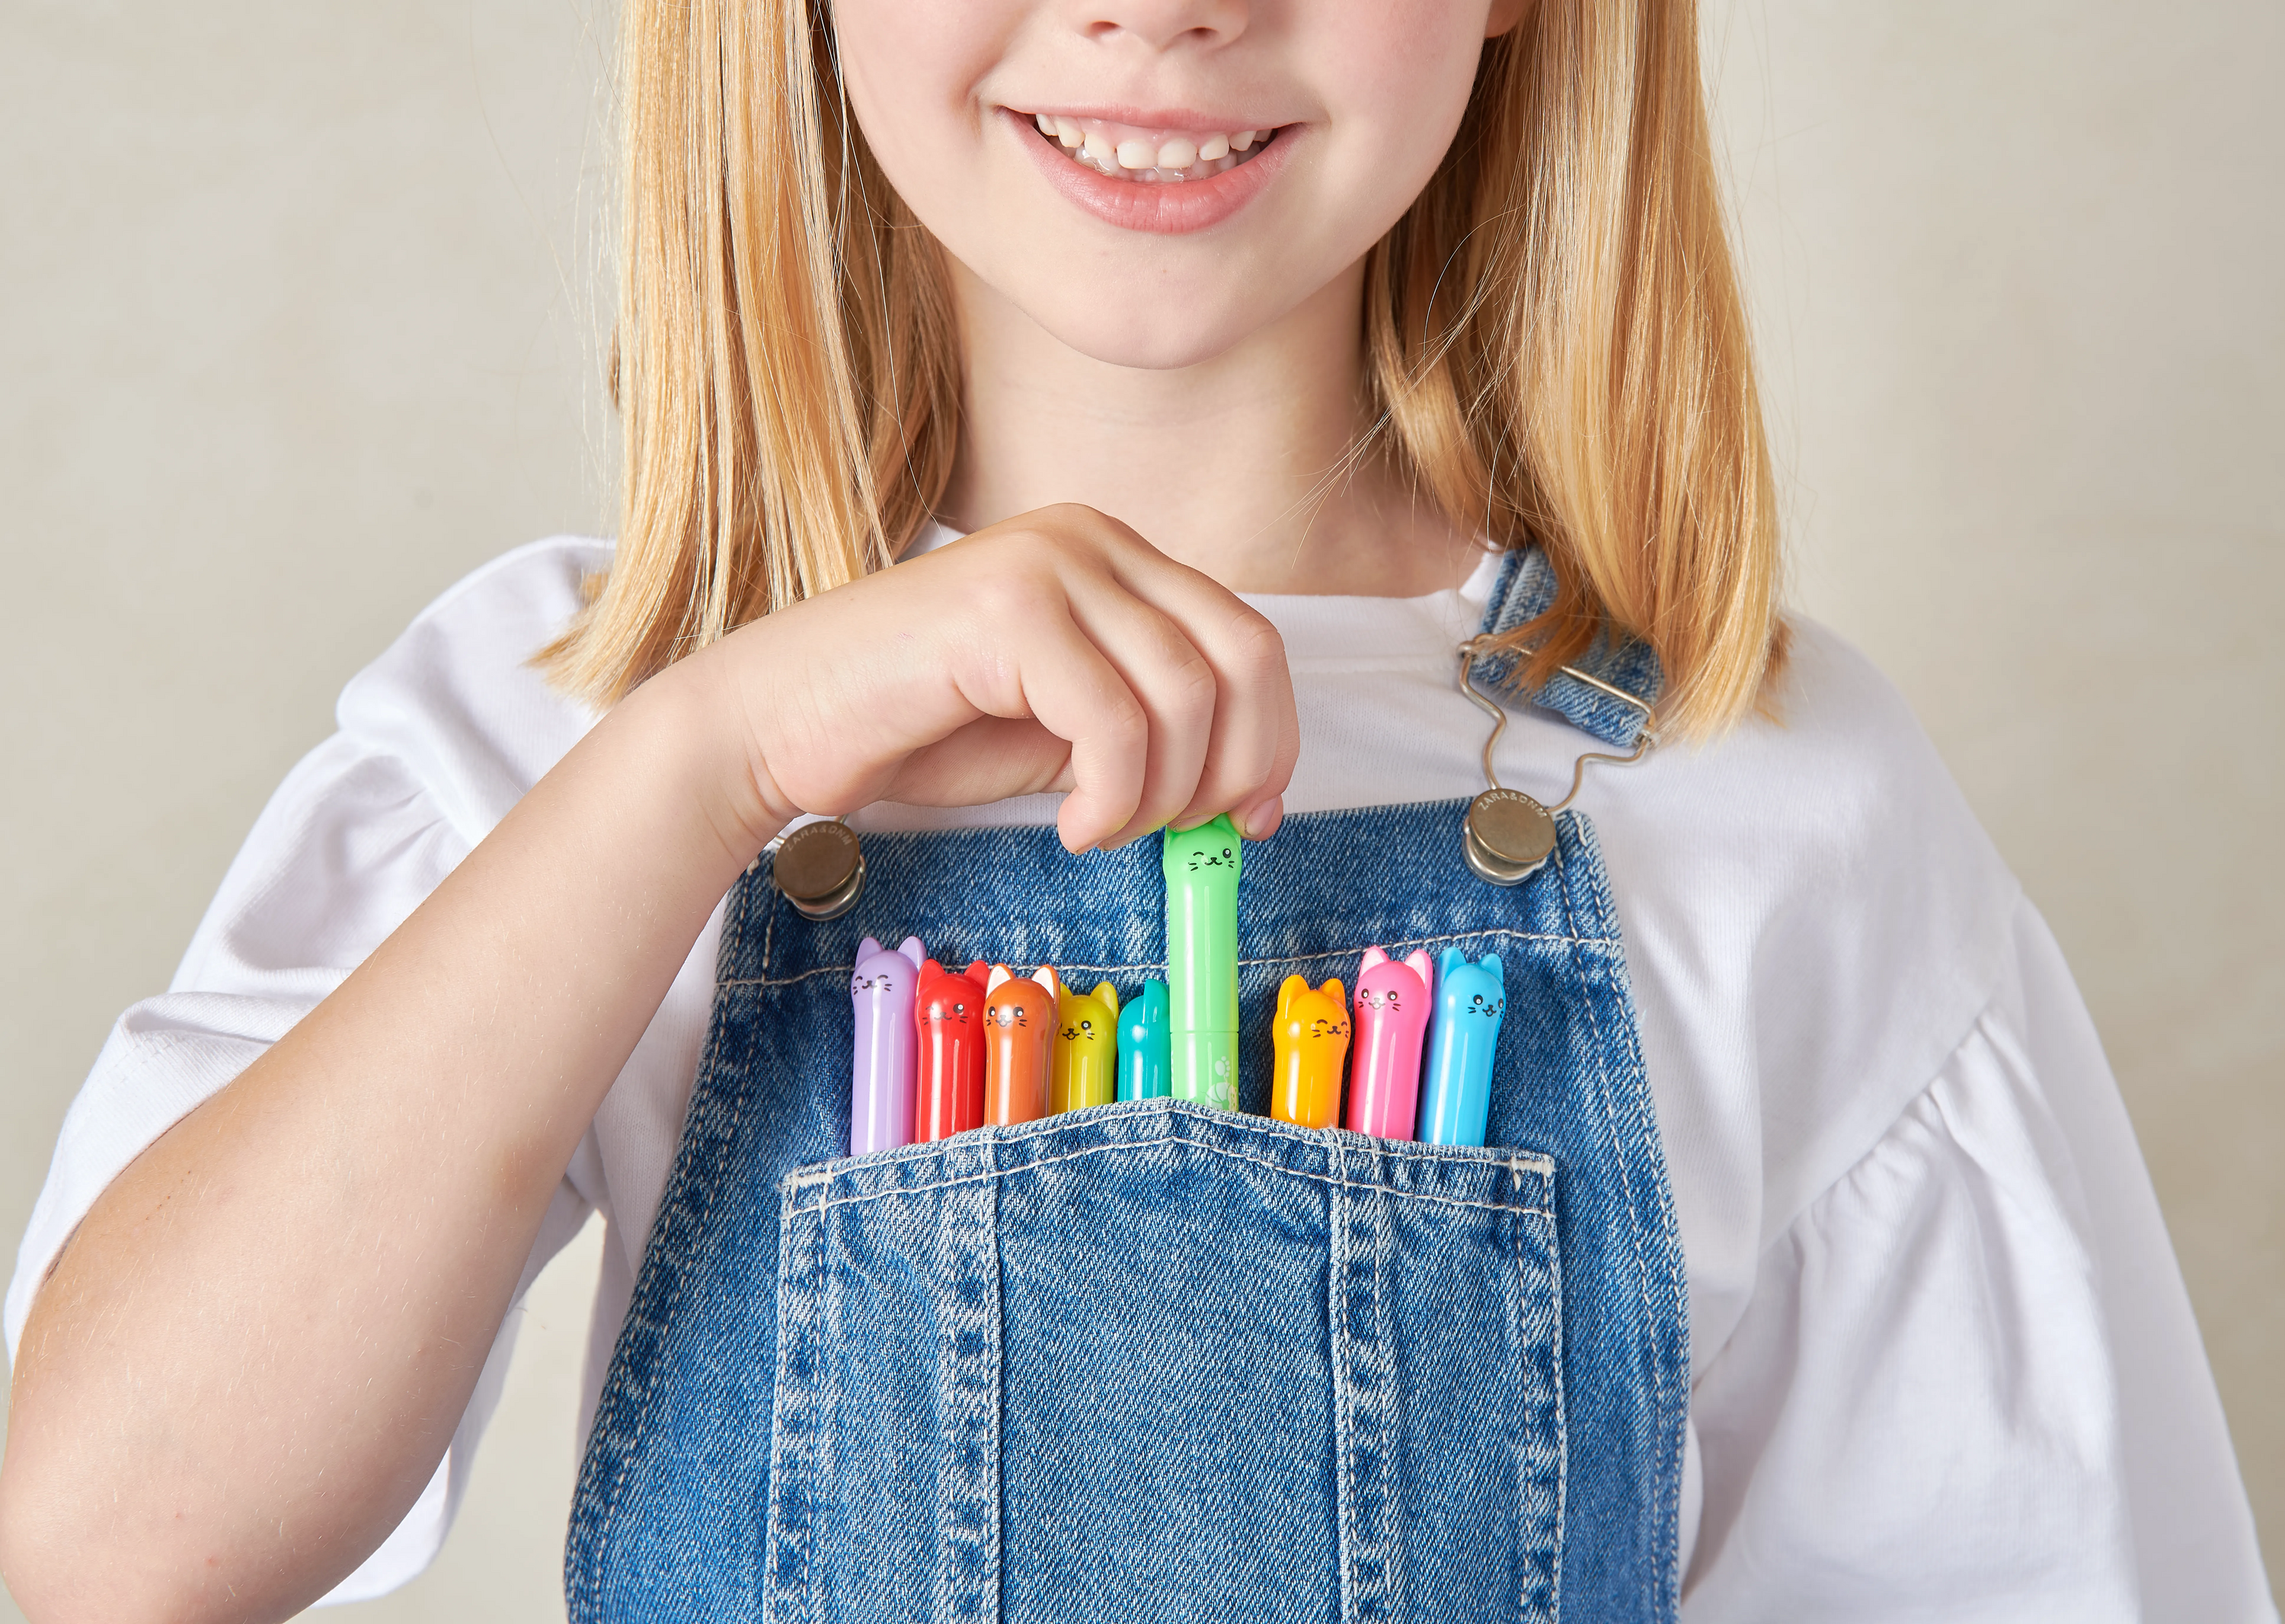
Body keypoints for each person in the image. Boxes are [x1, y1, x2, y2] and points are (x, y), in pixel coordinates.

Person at [1, 0, 2271, 1619]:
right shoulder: (583, 730)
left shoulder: (1767, 807)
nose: (1160, 13)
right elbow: (101, 1541)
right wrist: (712, 764)